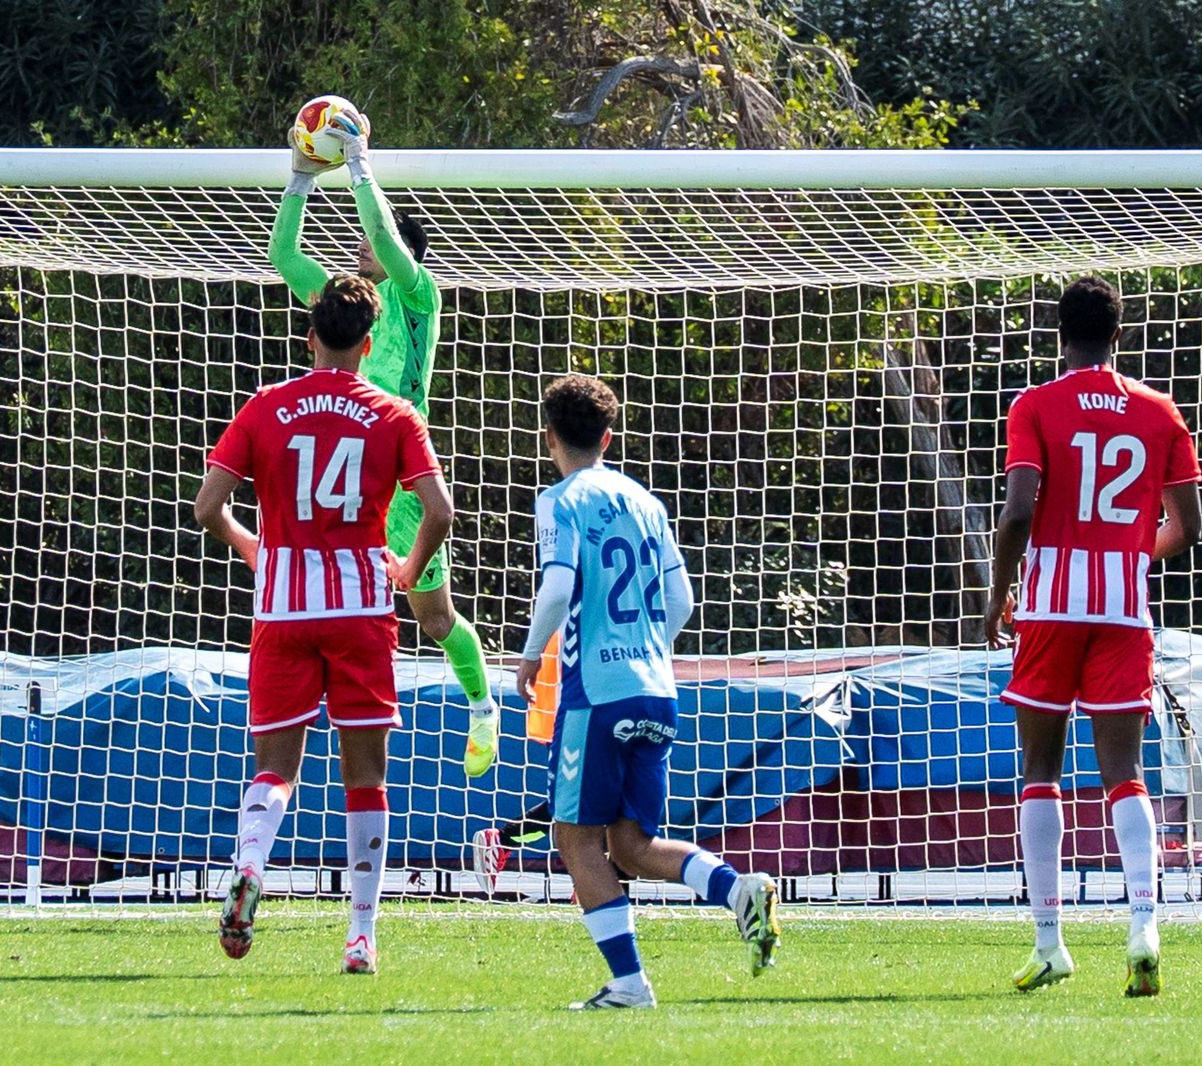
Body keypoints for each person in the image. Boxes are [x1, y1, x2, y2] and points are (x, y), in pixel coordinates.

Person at [194, 275, 454, 976]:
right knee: (365, 775)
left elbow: (207, 504)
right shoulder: (393, 413)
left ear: (310, 338)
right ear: (368, 346)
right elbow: (440, 511)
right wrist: (409, 569)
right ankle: (360, 936)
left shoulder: (267, 406)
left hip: (283, 606)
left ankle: (251, 863)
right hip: (360, 606)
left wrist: (255, 548)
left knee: (276, 768)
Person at [516, 374, 781, 1010]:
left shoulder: (561, 499)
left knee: (574, 837)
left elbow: (556, 588)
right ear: (608, 437)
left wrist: (530, 656)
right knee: (631, 846)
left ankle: (630, 983)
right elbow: (682, 600)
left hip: (596, 693)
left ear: (548, 437)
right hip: (656, 688)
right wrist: (641, 649)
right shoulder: (646, 502)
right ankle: (737, 889)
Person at [985, 276, 1202, 998]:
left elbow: (1018, 513)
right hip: (1123, 611)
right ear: (1118, 336)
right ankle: (1144, 923)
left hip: (1050, 609)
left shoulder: (1036, 405)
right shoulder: (1159, 411)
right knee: (1124, 772)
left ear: (1057, 335)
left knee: (1040, 771)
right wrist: (1132, 552)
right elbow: (1189, 527)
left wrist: (998, 595)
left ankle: (1049, 942)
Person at [270, 101, 498, 778]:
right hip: (347, 475)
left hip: (405, 476)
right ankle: (327, 743)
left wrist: (360, 166)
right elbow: (283, 254)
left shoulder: (417, 293)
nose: (360, 244)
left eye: (373, 238)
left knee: (433, 618)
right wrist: (302, 177)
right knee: (333, 610)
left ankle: (483, 707)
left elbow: (388, 241)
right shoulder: (349, 301)